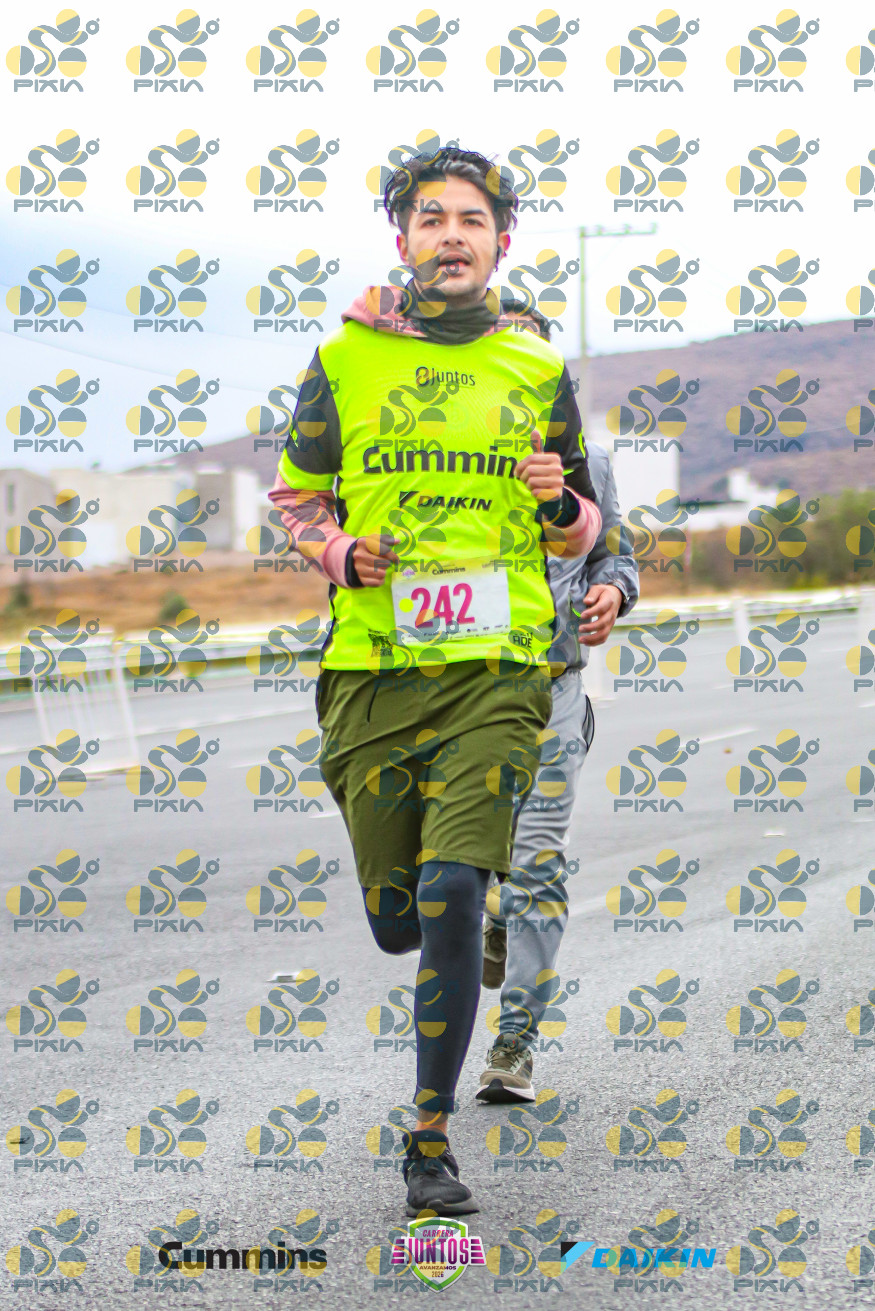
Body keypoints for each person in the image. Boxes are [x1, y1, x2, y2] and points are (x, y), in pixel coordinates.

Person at [266, 145, 602, 1217]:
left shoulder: (536, 366)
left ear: (501, 241)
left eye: (470, 220)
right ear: (401, 238)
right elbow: (296, 498)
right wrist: (337, 552)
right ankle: (467, 901)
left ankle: (427, 1138)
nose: (450, 235)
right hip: (373, 670)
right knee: (398, 919)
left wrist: (556, 505)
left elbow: (583, 525)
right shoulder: (343, 357)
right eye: (429, 218)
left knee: (452, 890)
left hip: (497, 674)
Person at [476, 439, 639, 1103]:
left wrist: (612, 589)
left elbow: (615, 553)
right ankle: (496, 899)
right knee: (463, 863)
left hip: (554, 687)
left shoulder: (584, 461)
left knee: (538, 862)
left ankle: (514, 1039)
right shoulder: (440, 452)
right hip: (461, 692)